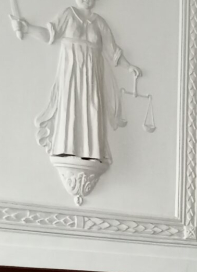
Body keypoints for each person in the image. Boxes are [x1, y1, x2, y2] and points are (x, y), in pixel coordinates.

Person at [11, 0, 140, 164]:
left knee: (91, 107)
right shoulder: (69, 14)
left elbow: (112, 51)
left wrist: (129, 67)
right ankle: (66, 149)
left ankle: (91, 153)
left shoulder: (99, 22)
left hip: (92, 76)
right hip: (71, 74)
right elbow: (50, 35)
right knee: (69, 107)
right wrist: (27, 28)